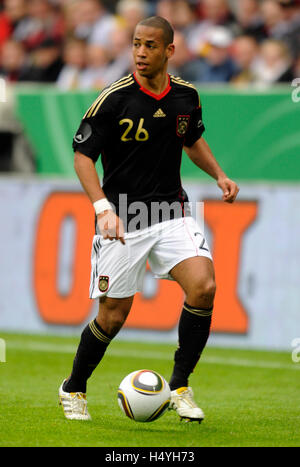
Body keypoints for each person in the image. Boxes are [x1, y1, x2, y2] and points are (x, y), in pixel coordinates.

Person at [59, 15, 239, 422]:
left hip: (170, 210)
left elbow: (190, 139)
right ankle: (74, 388)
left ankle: (179, 386)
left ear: (169, 50)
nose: (141, 53)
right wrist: (102, 208)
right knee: (113, 315)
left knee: (205, 287)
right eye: (137, 44)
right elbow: (82, 157)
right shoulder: (114, 98)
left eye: (151, 46)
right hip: (123, 217)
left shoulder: (186, 97)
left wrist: (220, 175)